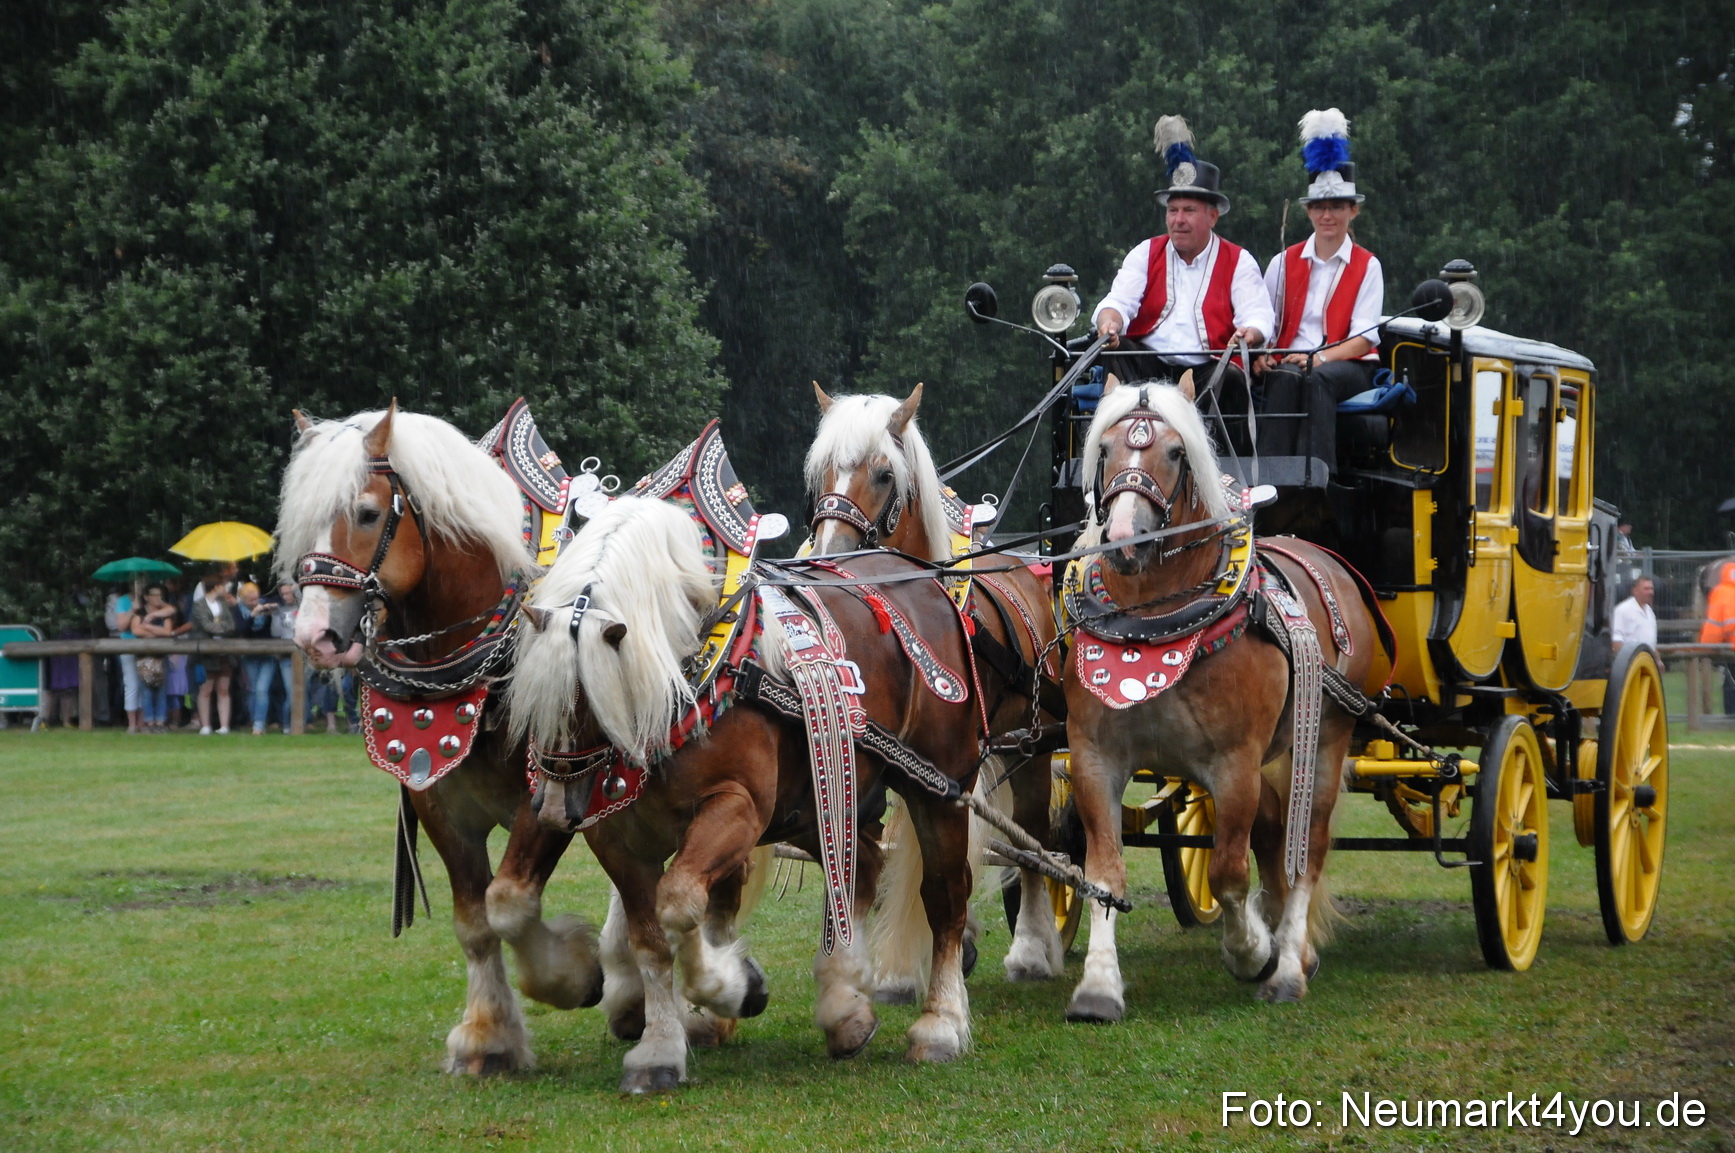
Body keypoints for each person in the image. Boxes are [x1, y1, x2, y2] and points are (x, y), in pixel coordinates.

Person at [1092, 115, 1272, 438]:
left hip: (1206, 369)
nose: (1178, 220)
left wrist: (1248, 332)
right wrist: (1110, 322)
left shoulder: (1238, 260)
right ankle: (1118, 450)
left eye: (1188, 211)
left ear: (1212, 216)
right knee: (1115, 351)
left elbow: (1258, 314)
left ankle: (1225, 469)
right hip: (1149, 366)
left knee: (1230, 377)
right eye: (1172, 211)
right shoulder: (1145, 253)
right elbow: (1117, 302)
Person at [1256, 109, 1385, 474]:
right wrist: (1264, 355)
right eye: (1319, 207)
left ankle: (1317, 477)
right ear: (1309, 212)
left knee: (1317, 379)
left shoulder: (1367, 265)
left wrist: (1319, 358)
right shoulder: (1282, 262)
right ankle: (1269, 479)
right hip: (1290, 360)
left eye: (1336, 207)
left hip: (1346, 364)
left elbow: (1364, 338)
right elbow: (1266, 321)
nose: (1327, 215)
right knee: (1283, 377)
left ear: (1353, 211)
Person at [188, 563, 240, 734]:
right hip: (206, 653)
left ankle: (224, 726)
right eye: (222, 585)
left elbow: (231, 624)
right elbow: (205, 625)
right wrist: (221, 627)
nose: (225, 588)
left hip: (224, 651)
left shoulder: (224, 604)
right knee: (206, 689)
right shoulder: (199, 605)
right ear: (216, 586)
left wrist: (220, 627)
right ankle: (206, 725)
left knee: (223, 688)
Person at [131, 585, 180, 733]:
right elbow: (135, 630)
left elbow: (167, 631)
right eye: (154, 594)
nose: (158, 598)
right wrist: (156, 632)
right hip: (143, 656)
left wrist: (148, 627)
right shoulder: (139, 613)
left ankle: (160, 721)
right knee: (146, 690)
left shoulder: (164, 614)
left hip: (161, 655)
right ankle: (148, 722)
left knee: (161, 690)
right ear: (146, 597)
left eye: (160, 595)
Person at [1699, 559, 1735, 714]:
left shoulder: (1719, 592)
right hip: (1729, 644)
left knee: (1729, 680)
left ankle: (1730, 714)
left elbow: (1720, 623)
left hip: (1720, 644)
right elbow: (1730, 624)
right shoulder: (1730, 593)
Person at [107, 587, 142, 733]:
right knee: (131, 684)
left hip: (149, 644)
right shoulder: (123, 601)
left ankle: (144, 722)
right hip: (128, 644)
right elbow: (121, 626)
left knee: (146, 685)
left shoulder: (149, 598)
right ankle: (132, 724)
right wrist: (133, 610)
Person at [1612, 576, 1657, 655]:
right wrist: (1629, 659)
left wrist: (1658, 660)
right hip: (1631, 663)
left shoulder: (1650, 612)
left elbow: (1652, 643)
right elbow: (1616, 640)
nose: (1651, 592)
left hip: (1647, 662)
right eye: (1646, 589)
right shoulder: (1622, 610)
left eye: (1651, 589)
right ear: (1635, 591)